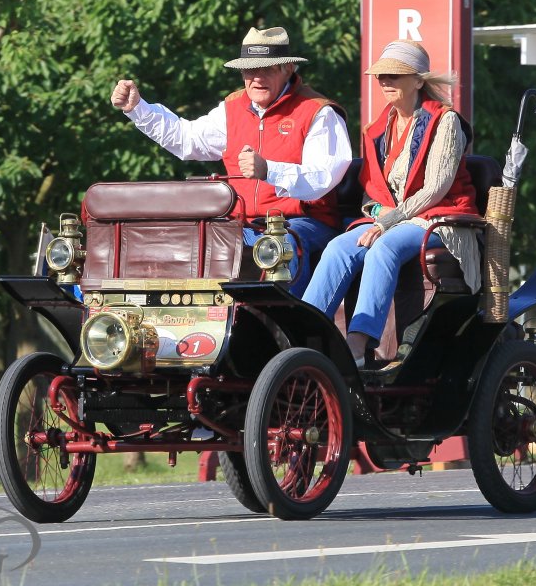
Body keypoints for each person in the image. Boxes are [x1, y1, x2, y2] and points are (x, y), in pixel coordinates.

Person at [110, 25, 352, 296]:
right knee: (188, 243)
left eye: (267, 69)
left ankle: (285, 321)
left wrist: (268, 170)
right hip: (242, 223)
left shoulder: (318, 111)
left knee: (278, 245)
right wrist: (138, 109)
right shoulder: (233, 107)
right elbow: (187, 140)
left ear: (288, 69)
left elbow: (323, 177)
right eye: (249, 70)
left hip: (303, 221)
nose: (256, 78)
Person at [303, 40, 480, 364]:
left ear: (418, 81)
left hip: (438, 218)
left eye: (394, 75)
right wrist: (376, 212)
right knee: (338, 248)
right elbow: (371, 192)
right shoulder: (377, 130)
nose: (385, 81)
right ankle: (304, 339)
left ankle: (358, 344)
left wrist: (387, 221)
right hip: (392, 219)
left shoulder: (445, 122)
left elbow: (435, 190)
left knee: (384, 247)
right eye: (381, 76)